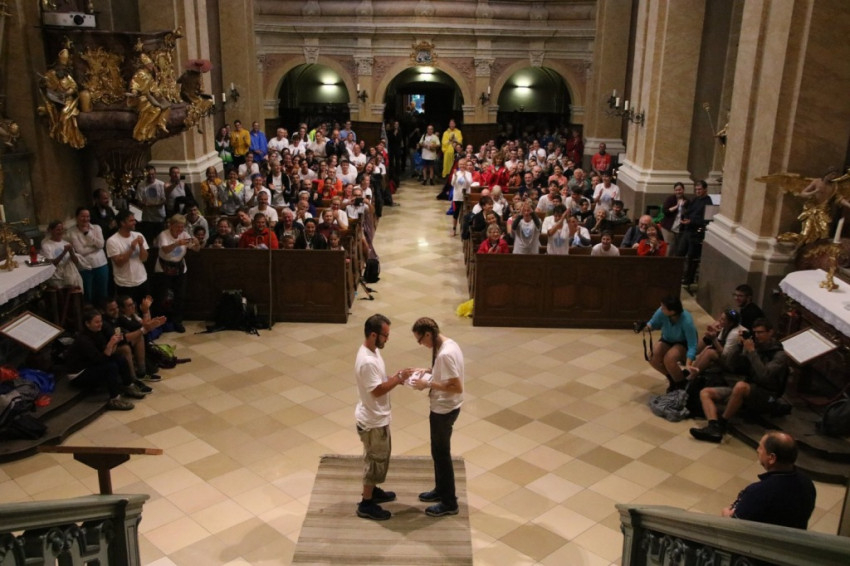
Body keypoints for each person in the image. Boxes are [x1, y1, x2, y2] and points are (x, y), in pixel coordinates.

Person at [691, 318, 789, 443]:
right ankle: (713, 426)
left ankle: (722, 424)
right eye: (755, 332)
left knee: (740, 386)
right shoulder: (754, 346)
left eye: (760, 332)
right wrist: (739, 346)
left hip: (768, 396)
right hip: (749, 388)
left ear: (770, 332)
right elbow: (731, 365)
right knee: (705, 392)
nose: (757, 336)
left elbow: (764, 376)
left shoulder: (779, 355)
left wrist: (752, 352)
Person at [410, 317, 464, 517]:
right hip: (444, 407)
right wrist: (426, 371)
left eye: (420, 340)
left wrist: (428, 384)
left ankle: (449, 502)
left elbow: (456, 386)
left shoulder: (445, 354)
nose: (421, 344)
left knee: (442, 455)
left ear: (428, 334)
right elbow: (444, 373)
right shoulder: (449, 345)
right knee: (437, 452)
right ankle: (440, 490)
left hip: (444, 409)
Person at [354, 314, 406, 521]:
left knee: (379, 457)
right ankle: (366, 503)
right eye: (385, 335)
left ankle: (373, 491)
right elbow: (377, 390)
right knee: (375, 460)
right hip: (373, 420)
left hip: (376, 415)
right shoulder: (367, 361)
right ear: (373, 335)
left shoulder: (373, 352)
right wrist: (398, 379)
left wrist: (395, 378)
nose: (387, 339)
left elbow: (380, 381)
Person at [721, 432, 816, 529]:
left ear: (772, 458)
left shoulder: (758, 492)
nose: (757, 450)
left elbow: (735, 526)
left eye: (761, 448)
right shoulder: (807, 483)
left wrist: (726, 515)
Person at [65, 308, 145, 411]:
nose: (100, 324)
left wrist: (115, 343)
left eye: (101, 321)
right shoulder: (83, 340)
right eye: (97, 322)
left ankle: (128, 386)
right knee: (110, 367)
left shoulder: (97, 333)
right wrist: (110, 344)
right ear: (87, 324)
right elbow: (100, 360)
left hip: (91, 364)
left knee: (120, 358)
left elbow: (107, 353)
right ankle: (114, 399)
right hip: (78, 374)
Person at [153, 214, 200, 333]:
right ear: (171, 226)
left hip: (180, 267)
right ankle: (159, 321)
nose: (180, 229)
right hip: (164, 267)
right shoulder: (164, 235)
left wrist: (197, 243)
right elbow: (165, 249)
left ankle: (177, 321)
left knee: (180, 296)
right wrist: (176, 243)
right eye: (178, 227)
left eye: (182, 227)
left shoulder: (184, 234)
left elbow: (196, 249)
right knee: (162, 295)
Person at [644, 296, 699, 392]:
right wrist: (645, 327)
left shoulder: (687, 320)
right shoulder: (661, 312)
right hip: (667, 339)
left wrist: (688, 364)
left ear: (672, 312)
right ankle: (672, 378)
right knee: (652, 357)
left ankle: (681, 384)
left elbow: (692, 344)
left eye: (663, 308)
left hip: (683, 342)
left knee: (669, 359)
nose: (661, 309)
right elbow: (653, 323)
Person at [106, 210, 150, 305]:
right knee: (128, 310)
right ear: (122, 223)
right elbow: (119, 263)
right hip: (125, 284)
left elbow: (144, 258)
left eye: (134, 220)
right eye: (131, 220)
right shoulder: (112, 241)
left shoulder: (139, 235)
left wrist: (141, 246)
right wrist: (131, 249)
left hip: (142, 280)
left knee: (145, 308)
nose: (135, 222)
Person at [66, 207, 109, 305]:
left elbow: (101, 245)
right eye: (82, 216)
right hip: (85, 266)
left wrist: (87, 233)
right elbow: (80, 251)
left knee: (103, 292)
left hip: (101, 264)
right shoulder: (72, 232)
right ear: (77, 217)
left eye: (88, 216)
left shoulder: (96, 228)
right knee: (89, 293)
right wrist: (95, 247)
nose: (85, 219)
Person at [41, 220, 83, 289]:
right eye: (58, 230)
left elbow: (76, 262)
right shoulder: (46, 245)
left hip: (69, 274)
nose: (60, 232)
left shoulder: (66, 243)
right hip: (56, 276)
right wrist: (64, 252)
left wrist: (71, 252)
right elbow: (52, 263)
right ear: (51, 231)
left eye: (61, 229)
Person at [659, 182, 687, 256]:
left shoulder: (687, 201)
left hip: (679, 227)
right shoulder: (670, 199)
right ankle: (668, 261)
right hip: (668, 227)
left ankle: (675, 261)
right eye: (676, 190)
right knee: (671, 246)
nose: (678, 192)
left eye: (680, 190)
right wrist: (677, 206)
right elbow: (665, 211)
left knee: (678, 248)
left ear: (683, 190)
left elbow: (688, 213)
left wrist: (683, 207)